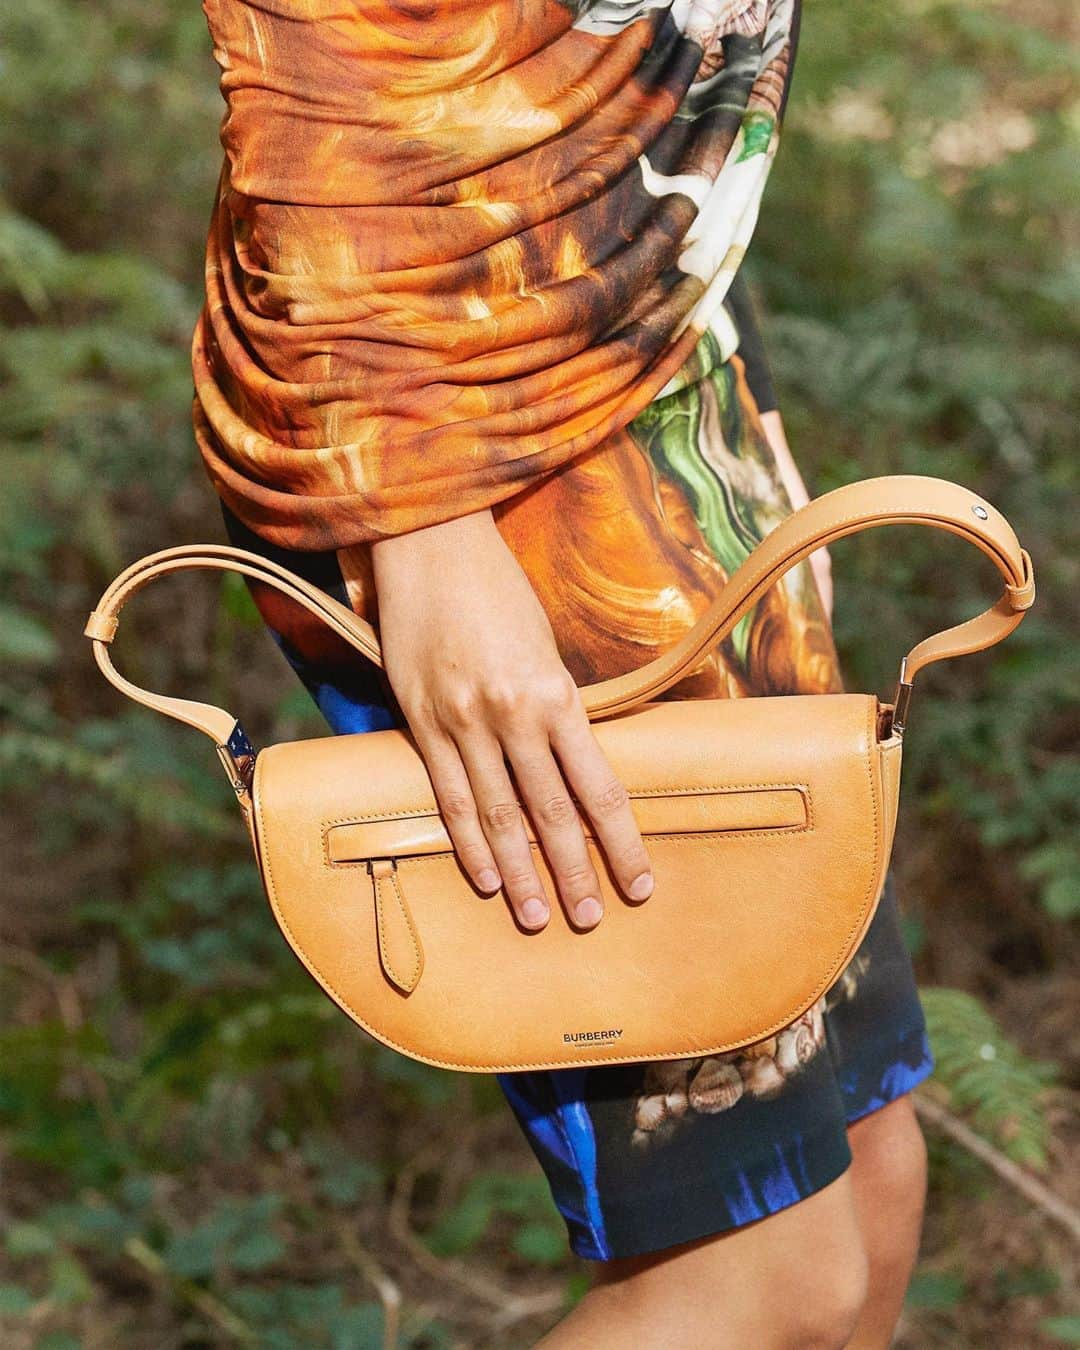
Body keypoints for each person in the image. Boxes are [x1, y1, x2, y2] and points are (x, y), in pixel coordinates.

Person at [192, 1, 933, 1343]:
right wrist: (416, 519)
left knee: (871, 1186)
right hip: (457, 414)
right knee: (766, 1276)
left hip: (658, 357)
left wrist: (734, 420)